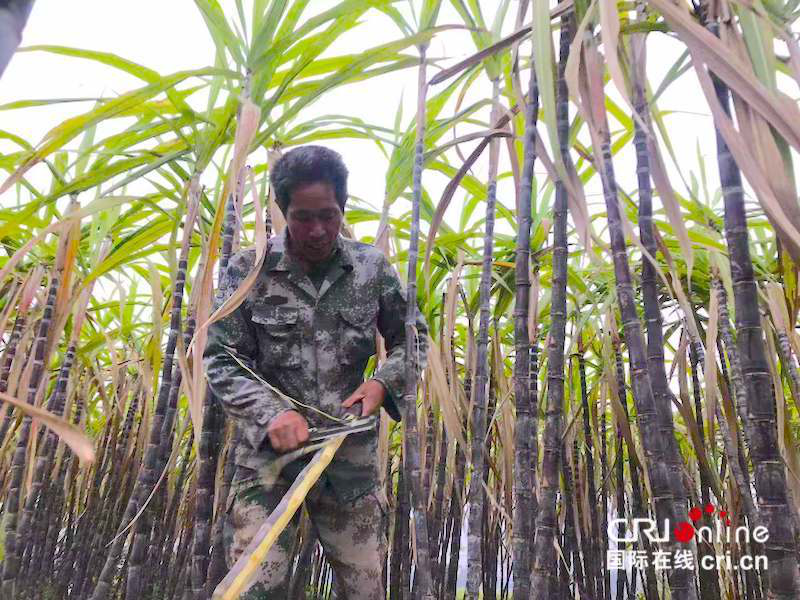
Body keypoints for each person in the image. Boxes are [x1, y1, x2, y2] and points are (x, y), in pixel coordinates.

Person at [204, 145, 428, 599]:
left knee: (364, 588)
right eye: (303, 217)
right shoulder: (248, 271)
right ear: (283, 210)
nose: (318, 230)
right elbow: (221, 357)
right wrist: (272, 414)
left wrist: (382, 383)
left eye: (328, 215)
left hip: (348, 461)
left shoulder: (371, 269)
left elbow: (415, 339)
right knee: (253, 588)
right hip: (267, 462)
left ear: (342, 208)